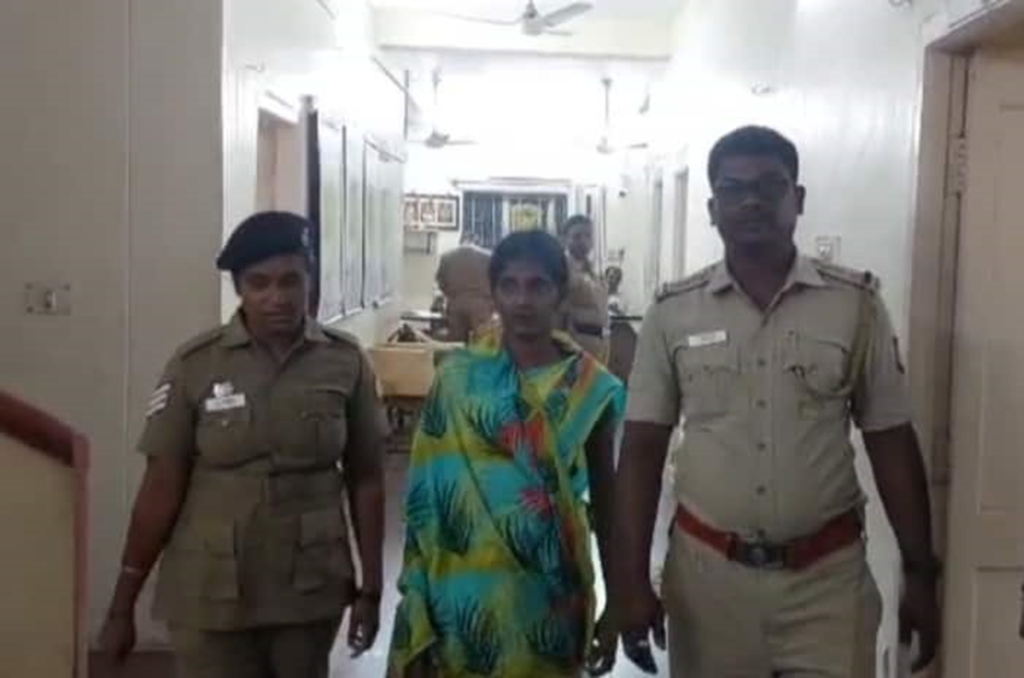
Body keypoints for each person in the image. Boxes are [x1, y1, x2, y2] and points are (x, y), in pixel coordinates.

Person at [612, 126, 940, 677]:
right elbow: (642, 449)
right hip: (708, 585)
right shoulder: (673, 313)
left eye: (770, 185)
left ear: (798, 198)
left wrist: (921, 573)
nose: (752, 201)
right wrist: (628, 580)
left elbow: (891, 440)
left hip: (827, 586)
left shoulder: (855, 306)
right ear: (712, 208)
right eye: (733, 189)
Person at [99, 211, 387, 678]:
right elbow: (160, 487)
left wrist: (371, 589)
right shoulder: (196, 364)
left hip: (309, 584)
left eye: (291, 281)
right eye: (259, 283)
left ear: (310, 281)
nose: (277, 297)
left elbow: (366, 479)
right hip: (210, 587)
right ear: (239, 288)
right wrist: (121, 604)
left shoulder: (344, 360)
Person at [388, 230, 625, 678]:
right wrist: (415, 602)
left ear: (560, 295)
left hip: (549, 597)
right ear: (493, 293)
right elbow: (425, 499)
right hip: (459, 594)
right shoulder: (457, 379)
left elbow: (608, 506)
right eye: (509, 286)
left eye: (538, 286)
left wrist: (619, 601)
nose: (522, 300)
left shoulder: (588, 387)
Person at [560, 215, 610, 361]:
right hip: (575, 345)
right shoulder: (561, 268)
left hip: (601, 343)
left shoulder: (594, 271)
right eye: (577, 236)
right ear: (565, 239)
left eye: (588, 236)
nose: (583, 241)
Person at [435, 232, 494, 343]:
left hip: (456, 304)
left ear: (460, 240)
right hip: (481, 306)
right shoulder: (488, 257)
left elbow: (440, 282)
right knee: (482, 342)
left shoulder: (447, 256)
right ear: (478, 241)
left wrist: (451, 295)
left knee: (456, 343)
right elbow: (496, 282)